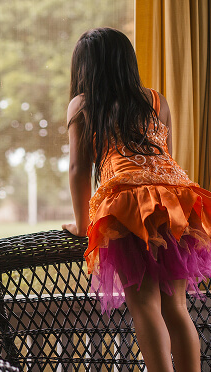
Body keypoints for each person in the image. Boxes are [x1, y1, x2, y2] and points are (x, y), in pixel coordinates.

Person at [62, 27, 211, 372]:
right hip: (178, 203)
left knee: (145, 306)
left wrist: (84, 226)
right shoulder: (156, 100)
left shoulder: (84, 103)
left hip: (128, 205)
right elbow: (166, 160)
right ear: (126, 62)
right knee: (176, 307)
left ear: (85, 68)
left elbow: (77, 168)